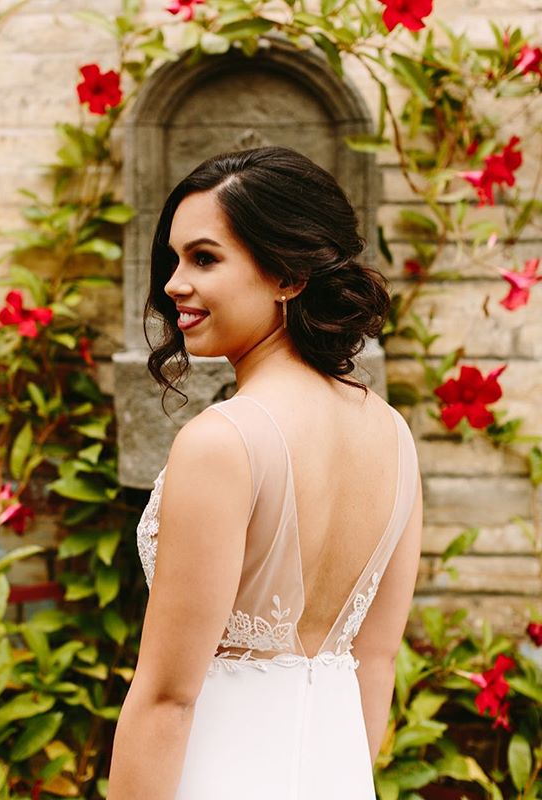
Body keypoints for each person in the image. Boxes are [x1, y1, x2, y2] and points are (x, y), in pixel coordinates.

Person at [106, 146, 423, 799]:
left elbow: (167, 697)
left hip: (217, 776)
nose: (172, 284)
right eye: (173, 260)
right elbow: (375, 660)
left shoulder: (222, 442)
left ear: (288, 277)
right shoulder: (393, 436)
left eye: (203, 258)